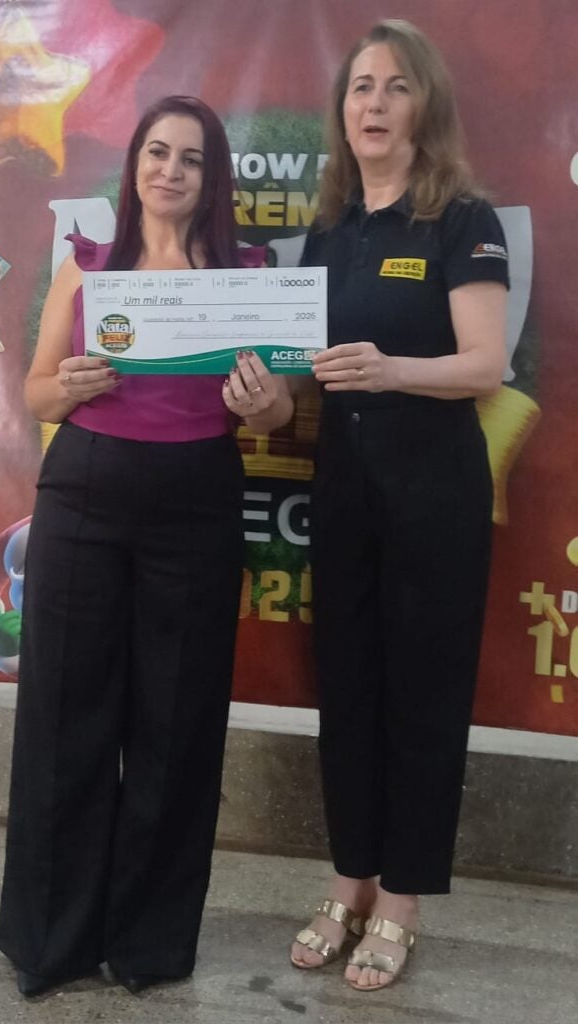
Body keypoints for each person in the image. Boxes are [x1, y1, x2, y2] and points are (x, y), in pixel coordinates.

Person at [0, 95, 281, 998]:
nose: (170, 170)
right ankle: (51, 941)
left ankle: (148, 944)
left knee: (177, 722)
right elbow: (37, 394)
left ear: (211, 178)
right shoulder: (88, 268)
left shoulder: (248, 275)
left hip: (197, 500)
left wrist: (263, 403)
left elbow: (276, 412)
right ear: (134, 166)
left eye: (190, 158)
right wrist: (70, 384)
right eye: (157, 152)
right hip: (84, 492)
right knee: (63, 716)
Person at [277, 20, 509, 991]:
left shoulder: (461, 218)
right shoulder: (329, 230)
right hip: (342, 487)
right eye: (360, 87)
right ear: (342, 112)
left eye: (395, 86)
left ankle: (403, 898)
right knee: (348, 688)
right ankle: (350, 878)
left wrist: (392, 370)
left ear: (425, 107)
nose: (373, 103)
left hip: (434, 494)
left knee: (421, 696)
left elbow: (485, 365)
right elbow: (299, 370)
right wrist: (264, 392)